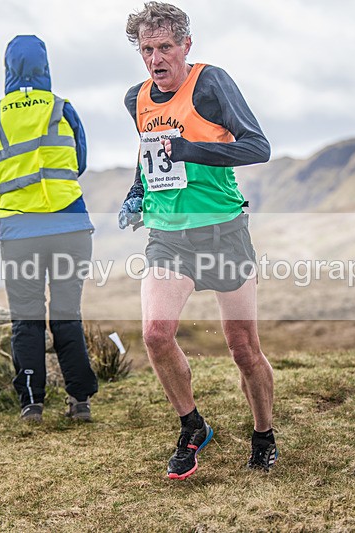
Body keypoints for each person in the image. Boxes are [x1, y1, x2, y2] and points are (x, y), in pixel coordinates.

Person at [120, 2, 277, 478]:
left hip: (223, 231)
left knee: (243, 347)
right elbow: (150, 154)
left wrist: (192, 150)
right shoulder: (136, 98)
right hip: (168, 237)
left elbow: (258, 146)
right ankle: (192, 426)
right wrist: (135, 192)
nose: (156, 58)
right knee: (155, 334)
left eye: (165, 47)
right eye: (147, 49)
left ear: (186, 45)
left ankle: (264, 434)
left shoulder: (211, 83)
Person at [0, 35, 98, 423]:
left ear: (7, 69)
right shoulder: (62, 108)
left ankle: (31, 402)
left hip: (19, 232)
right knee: (66, 313)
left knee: (26, 318)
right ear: (45, 66)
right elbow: (78, 161)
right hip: (70, 226)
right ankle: (80, 401)